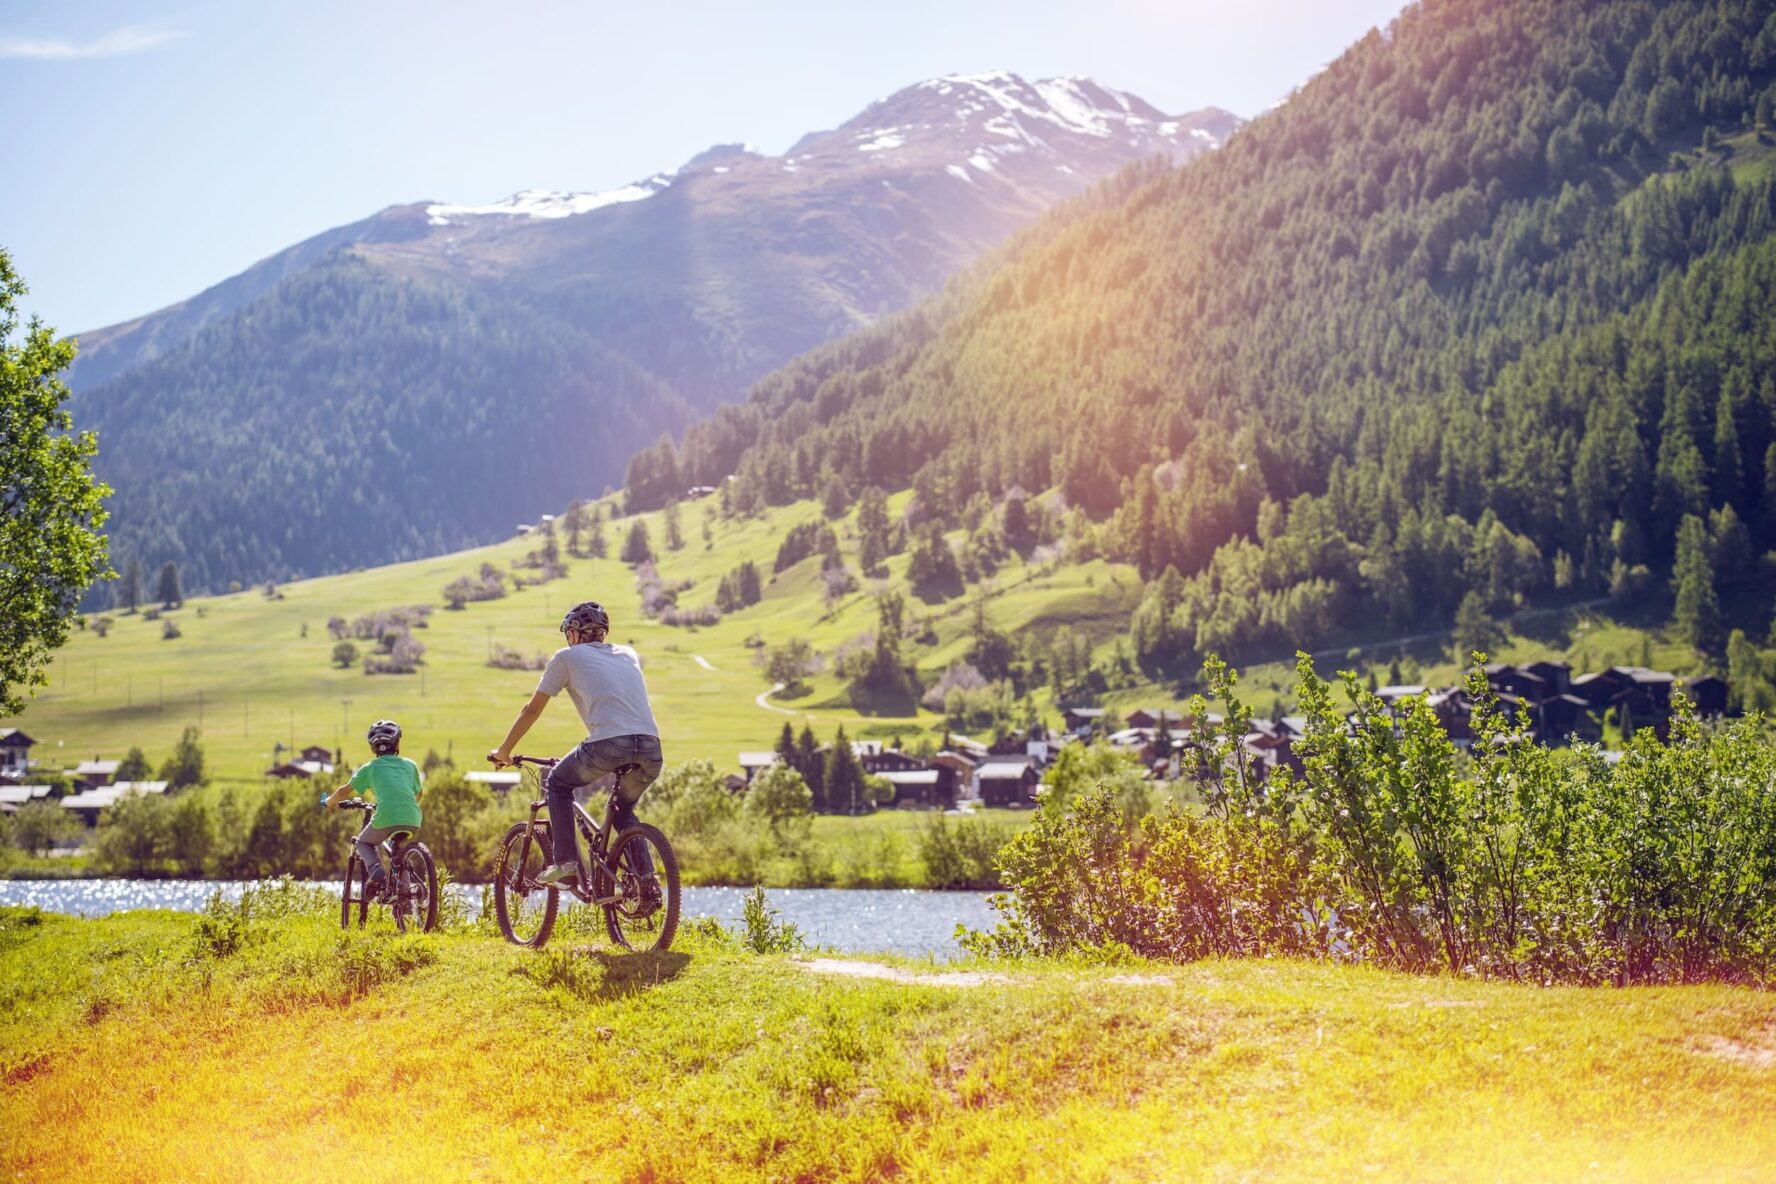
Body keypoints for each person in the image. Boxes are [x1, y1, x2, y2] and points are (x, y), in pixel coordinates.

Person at [489, 601, 663, 887]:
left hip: (608, 745)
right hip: (651, 748)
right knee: (623, 812)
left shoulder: (566, 657)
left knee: (558, 783)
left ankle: (567, 864)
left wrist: (504, 751)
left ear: (574, 633)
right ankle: (646, 883)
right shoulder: (628, 654)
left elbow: (531, 710)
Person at [326, 719, 423, 896]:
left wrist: (329, 802)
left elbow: (343, 791)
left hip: (386, 816)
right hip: (413, 817)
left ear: (373, 748)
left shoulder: (370, 768)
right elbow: (419, 794)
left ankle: (376, 870)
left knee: (362, 842)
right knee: (400, 853)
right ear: (397, 743)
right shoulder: (411, 765)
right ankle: (406, 900)